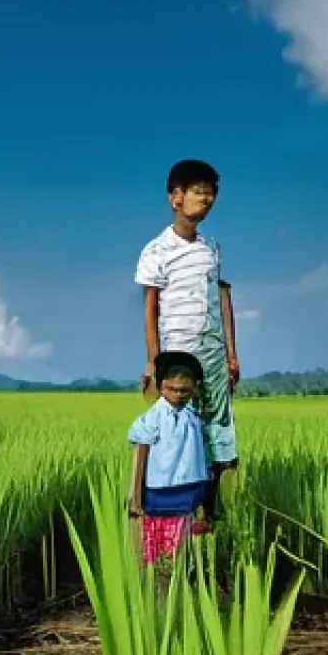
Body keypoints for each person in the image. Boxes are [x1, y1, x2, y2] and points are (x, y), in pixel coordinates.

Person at [134, 159, 240, 524]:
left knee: (219, 430)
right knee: (179, 432)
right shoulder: (156, 251)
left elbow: (222, 297)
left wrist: (232, 355)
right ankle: (170, 508)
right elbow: (150, 308)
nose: (207, 200)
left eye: (212, 194)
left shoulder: (212, 248)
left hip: (212, 351)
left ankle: (212, 515)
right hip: (178, 353)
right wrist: (153, 362)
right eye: (199, 192)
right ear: (175, 197)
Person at [127, 351, 209, 564]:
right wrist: (135, 496)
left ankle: (177, 575)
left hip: (189, 490)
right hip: (159, 490)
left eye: (184, 390)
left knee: (182, 545)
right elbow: (140, 453)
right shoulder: (154, 417)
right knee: (153, 543)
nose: (178, 395)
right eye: (172, 389)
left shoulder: (193, 417)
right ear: (162, 387)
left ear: (194, 389)